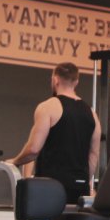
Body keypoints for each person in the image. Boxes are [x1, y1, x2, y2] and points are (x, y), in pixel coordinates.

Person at [7, 62, 100, 205]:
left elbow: (33, 150)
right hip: (79, 189)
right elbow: (93, 155)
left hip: (50, 188)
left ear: (55, 80)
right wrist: (82, 180)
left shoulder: (48, 107)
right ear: (76, 82)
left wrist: (15, 161)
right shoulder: (92, 114)